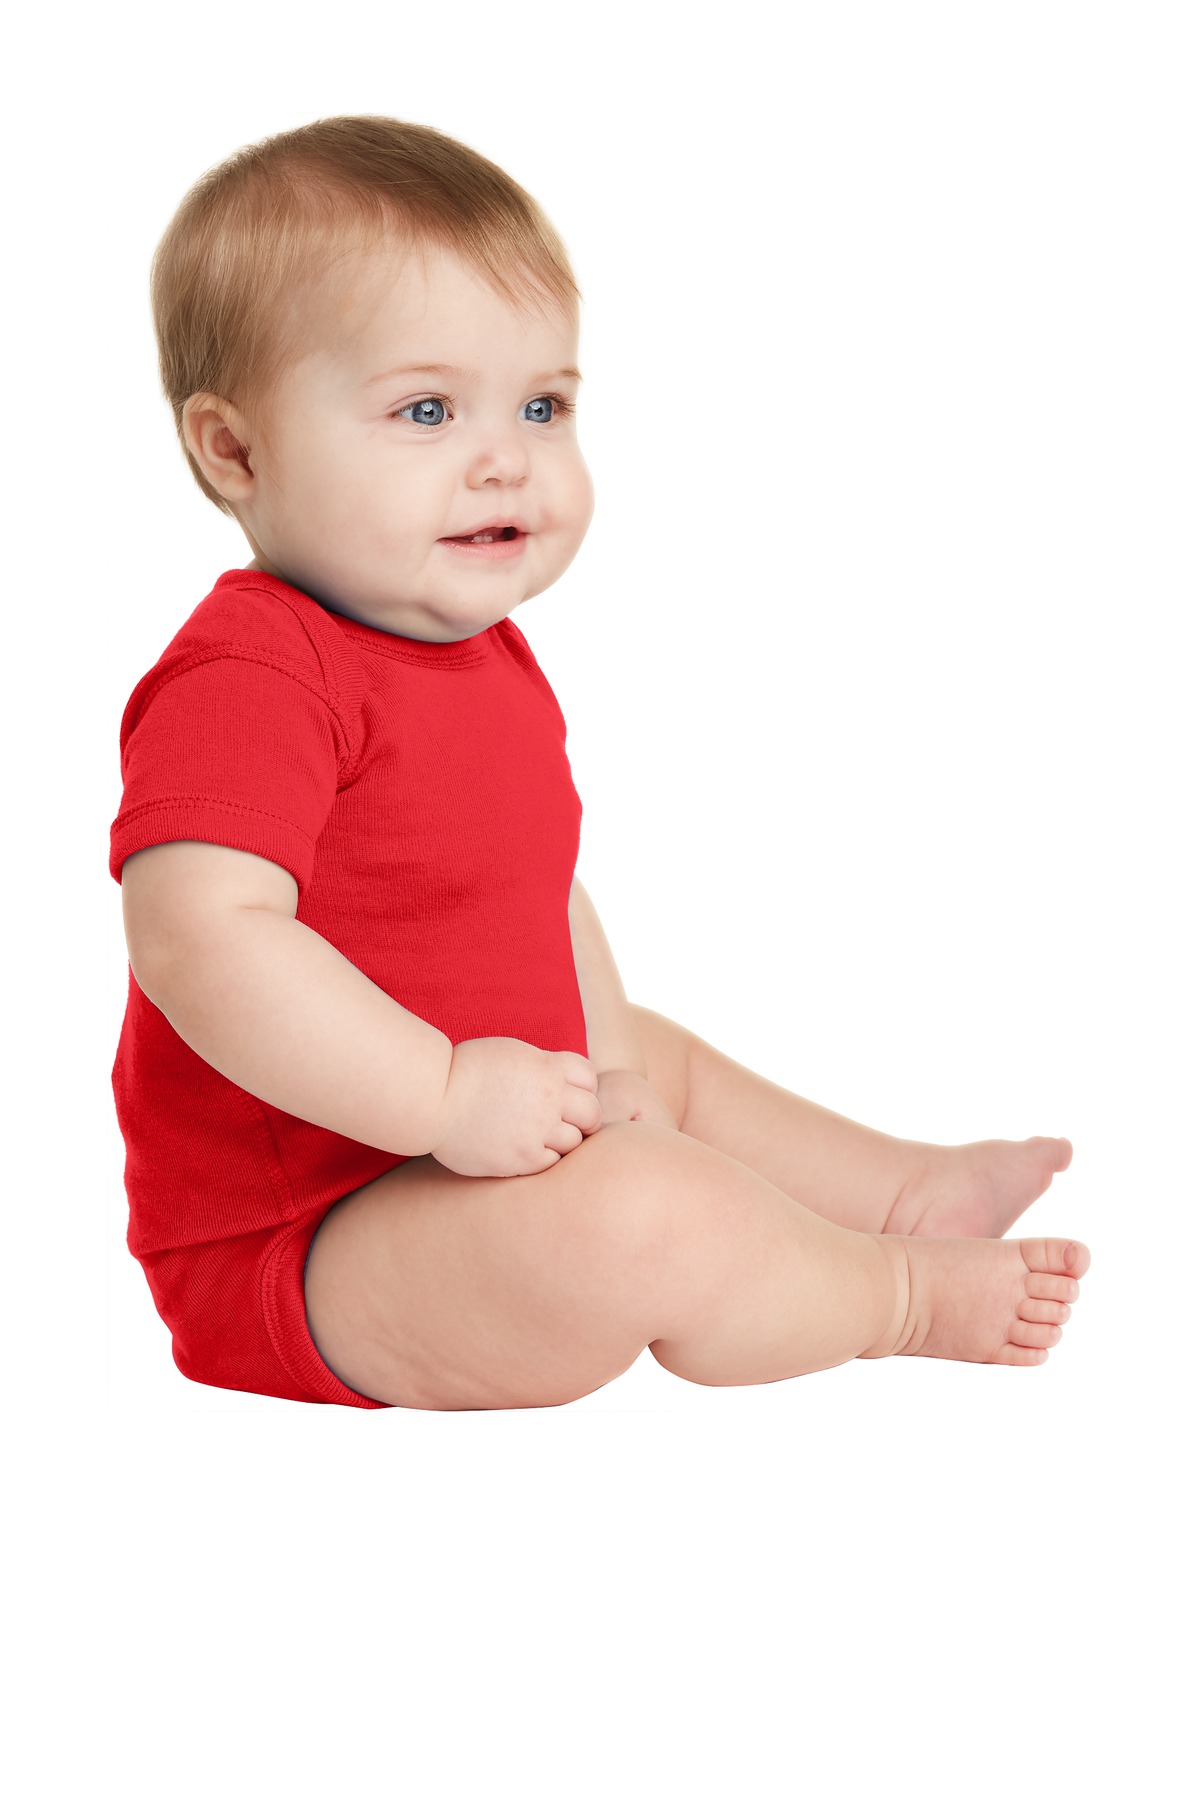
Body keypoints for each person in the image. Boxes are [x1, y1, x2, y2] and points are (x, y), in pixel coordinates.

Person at [109, 114, 1089, 1411]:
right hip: (309, 1243)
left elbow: (539, 887)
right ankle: (896, 1292)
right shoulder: (252, 675)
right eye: (425, 409)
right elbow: (200, 940)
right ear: (235, 449)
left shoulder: (483, 657)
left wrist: (608, 1067)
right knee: (640, 1207)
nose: (505, 456)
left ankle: (904, 1192)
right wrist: (440, 1097)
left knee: (657, 1065)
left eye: (543, 405)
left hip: (480, 1136)